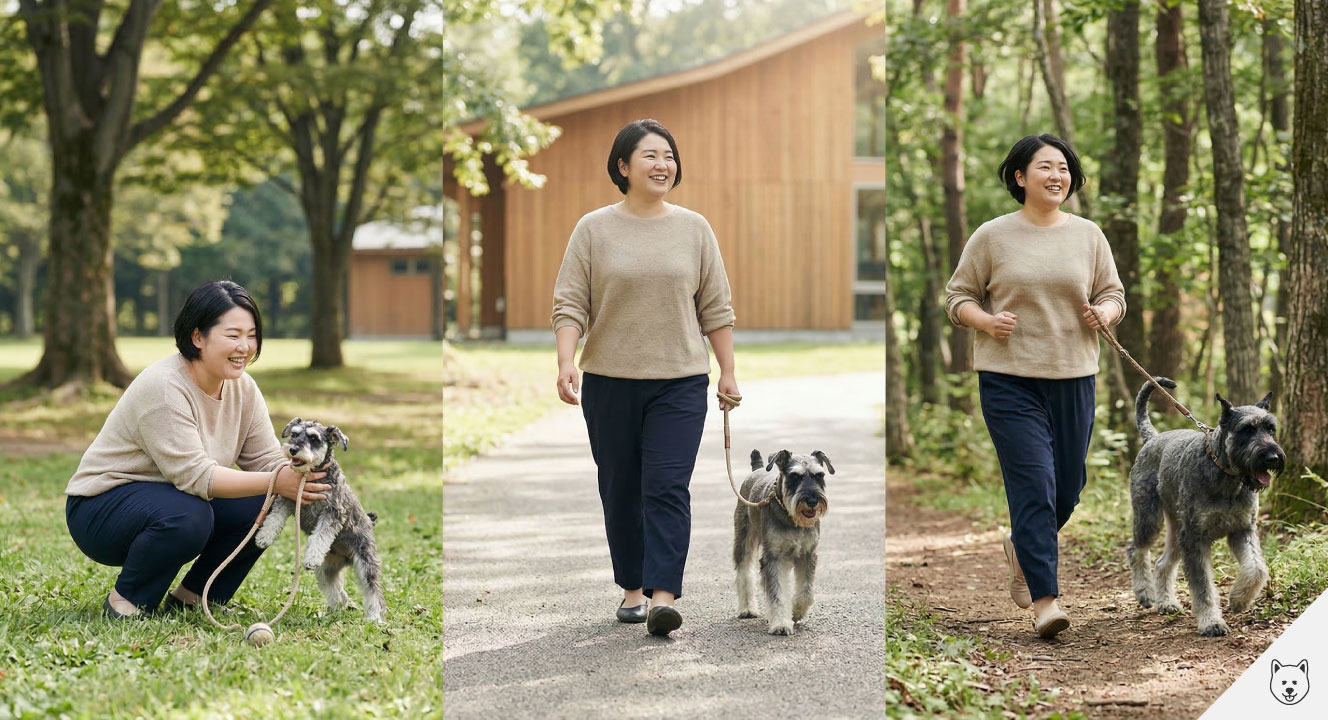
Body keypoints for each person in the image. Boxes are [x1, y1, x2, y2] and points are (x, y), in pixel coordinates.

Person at [552, 118, 740, 637]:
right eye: (651, 156)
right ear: (622, 166)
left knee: (665, 485)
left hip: (679, 381)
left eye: (669, 156)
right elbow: (570, 302)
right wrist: (567, 361)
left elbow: (716, 306)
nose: (663, 165)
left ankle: (662, 597)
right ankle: (632, 590)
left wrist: (727, 370)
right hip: (609, 381)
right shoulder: (593, 228)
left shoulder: (694, 227)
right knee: (620, 487)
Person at [944, 134, 1125, 638]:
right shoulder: (992, 236)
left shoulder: (1088, 235)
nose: (1056, 176)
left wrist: (1104, 312)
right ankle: (1046, 603)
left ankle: (1021, 546)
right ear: (1020, 177)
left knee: (1068, 487)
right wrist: (985, 321)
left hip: (1074, 376)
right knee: (1035, 487)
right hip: (1009, 380)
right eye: (1045, 166)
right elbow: (957, 297)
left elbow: (1113, 292)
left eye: (1064, 167)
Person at [65, 280, 332, 618]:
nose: (245, 346)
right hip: (101, 509)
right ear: (197, 337)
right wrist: (277, 481)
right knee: (191, 515)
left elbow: (266, 460)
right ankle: (127, 602)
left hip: (174, 499)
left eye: (251, 335)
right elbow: (197, 477)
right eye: (233, 335)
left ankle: (194, 597)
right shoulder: (164, 387)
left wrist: (310, 476)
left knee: (262, 501)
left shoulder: (243, 389)